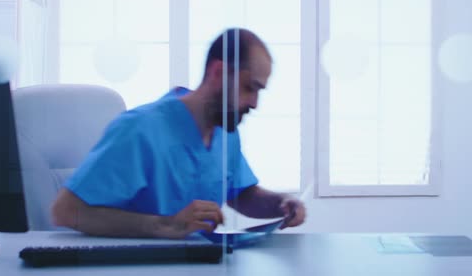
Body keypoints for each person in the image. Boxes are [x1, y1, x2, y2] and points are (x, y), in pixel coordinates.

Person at [51, 28, 306, 239]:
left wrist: (280, 203)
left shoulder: (225, 131)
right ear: (218, 73)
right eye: (250, 88)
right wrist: (167, 225)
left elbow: (241, 195)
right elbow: (66, 211)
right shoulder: (139, 130)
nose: (254, 103)